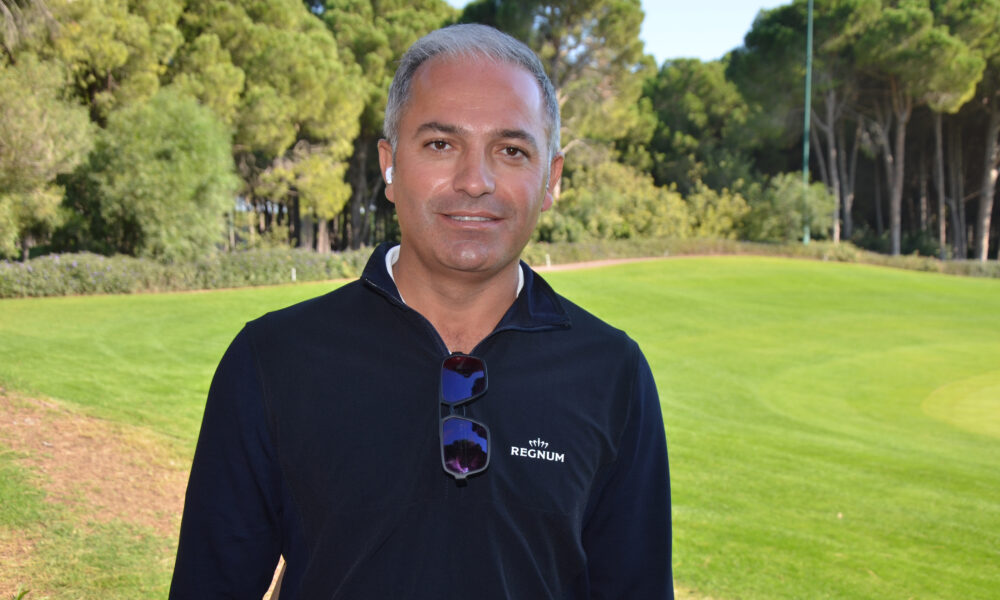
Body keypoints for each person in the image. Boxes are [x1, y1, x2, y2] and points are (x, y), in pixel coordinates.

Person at [170, 23, 672, 599]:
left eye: (511, 151)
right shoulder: (272, 358)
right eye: (440, 144)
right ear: (390, 165)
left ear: (550, 180)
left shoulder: (612, 373)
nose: (475, 181)